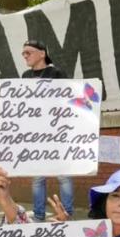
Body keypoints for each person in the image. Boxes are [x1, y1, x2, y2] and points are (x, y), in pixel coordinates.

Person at [20, 40, 73, 222]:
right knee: (37, 178)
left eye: (29, 52)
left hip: (57, 131)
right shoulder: (25, 76)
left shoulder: (56, 73)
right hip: (35, 134)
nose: (25, 56)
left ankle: (66, 213)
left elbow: (68, 98)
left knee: (63, 175)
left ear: (42, 53)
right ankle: (39, 215)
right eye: (23, 53)